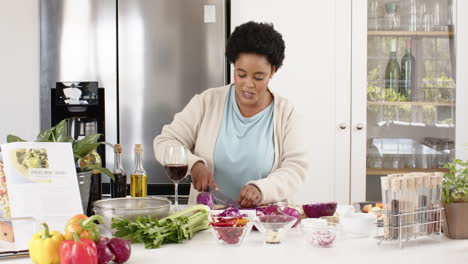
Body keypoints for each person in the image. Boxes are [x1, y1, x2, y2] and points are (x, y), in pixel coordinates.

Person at [154, 21, 308, 208]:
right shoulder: (207, 101)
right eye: (241, 74)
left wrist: (261, 189)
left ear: (272, 71)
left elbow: (296, 168)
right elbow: (165, 141)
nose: (248, 84)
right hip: (209, 222)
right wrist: (194, 164)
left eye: (258, 77)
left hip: (265, 224)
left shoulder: (286, 113)